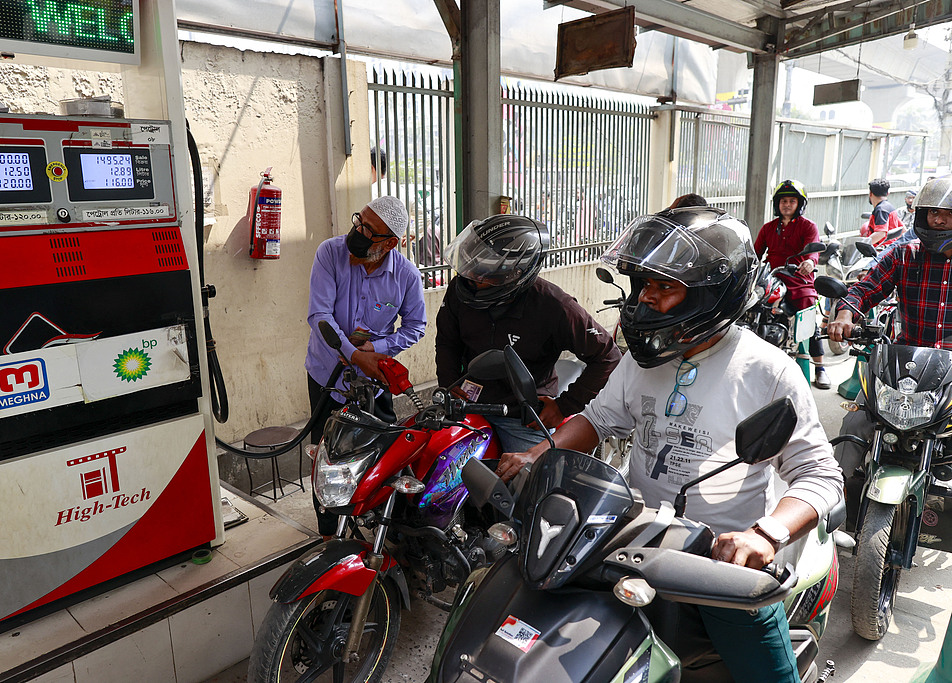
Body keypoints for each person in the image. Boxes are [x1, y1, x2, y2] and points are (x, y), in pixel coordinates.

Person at [497, 207, 843, 683]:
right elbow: (598, 419)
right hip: (632, 542)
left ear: (708, 297)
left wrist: (762, 537)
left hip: (720, 568)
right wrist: (539, 455)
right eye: (642, 287)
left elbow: (820, 475)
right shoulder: (643, 362)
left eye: (663, 288)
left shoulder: (768, 371)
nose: (643, 302)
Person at [435, 215, 621, 452]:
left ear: (514, 273)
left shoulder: (554, 305)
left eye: (483, 272)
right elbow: (447, 342)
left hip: (521, 417)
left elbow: (607, 356)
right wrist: (450, 385)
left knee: (530, 480)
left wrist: (564, 407)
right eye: (471, 267)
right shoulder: (461, 290)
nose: (473, 278)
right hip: (466, 406)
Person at [305, 195, 427, 536]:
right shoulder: (330, 253)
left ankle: (381, 526)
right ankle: (329, 531)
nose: (356, 232)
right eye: (359, 221)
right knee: (326, 456)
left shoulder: (405, 275)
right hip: (325, 373)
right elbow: (320, 316)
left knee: (383, 454)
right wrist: (355, 355)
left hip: (375, 380)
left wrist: (377, 347)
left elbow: (416, 325)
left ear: (390, 243)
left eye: (368, 230)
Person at [827, 177, 952, 476]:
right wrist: (846, 314)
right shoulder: (904, 255)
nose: (937, 220)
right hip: (903, 366)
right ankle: (831, 499)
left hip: (950, 371)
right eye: (932, 213)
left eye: (946, 214)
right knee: (855, 423)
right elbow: (863, 290)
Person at [754, 180, 830, 389]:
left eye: (792, 201)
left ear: (799, 204)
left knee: (807, 310)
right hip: (772, 276)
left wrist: (809, 261)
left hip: (799, 278)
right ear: (777, 204)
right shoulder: (768, 228)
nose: (787, 204)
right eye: (784, 201)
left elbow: (812, 251)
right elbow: (755, 253)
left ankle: (819, 367)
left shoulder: (808, 226)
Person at [859, 178, 903, 245]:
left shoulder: (881, 210)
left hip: (881, 251)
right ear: (887, 193)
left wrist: (863, 245)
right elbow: (902, 229)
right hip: (890, 249)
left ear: (870, 193)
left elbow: (881, 233)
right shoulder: (890, 208)